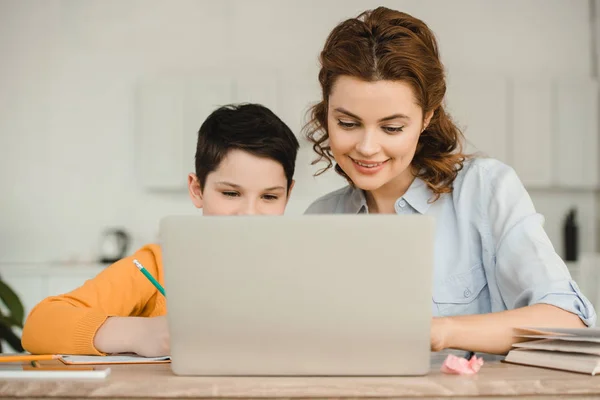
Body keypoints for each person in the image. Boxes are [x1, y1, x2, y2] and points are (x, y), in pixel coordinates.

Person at [304, 7, 595, 355]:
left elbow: (568, 321)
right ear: (327, 114)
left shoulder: (484, 190)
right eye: (348, 124)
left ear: (426, 117)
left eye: (392, 128)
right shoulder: (320, 218)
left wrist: (440, 332)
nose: (367, 147)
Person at [21, 103, 300, 356]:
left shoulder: (302, 270)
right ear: (197, 189)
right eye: (230, 193)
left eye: (269, 197)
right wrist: (140, 334)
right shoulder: (156, 265)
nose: (249, 215)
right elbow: (39, 324)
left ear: (288, 194)